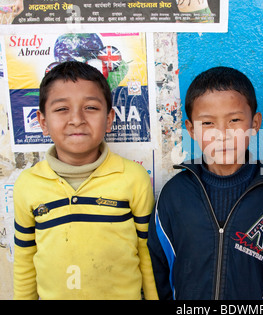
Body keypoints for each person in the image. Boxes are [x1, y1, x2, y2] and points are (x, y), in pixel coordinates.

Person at [13, 61, 158, 299]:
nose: (77, 119)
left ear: (110, 119)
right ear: (42, 122)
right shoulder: (28, 184)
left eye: (90, 107)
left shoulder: (132, 178)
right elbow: (24, 261)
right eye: (61, 109)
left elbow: (147, 254)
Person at [148, 66, 263, 299]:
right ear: (191, 129)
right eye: (208, 123)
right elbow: (159, 267)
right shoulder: (175, 194)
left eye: (234, 120)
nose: (222, 134)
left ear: (254, 123)